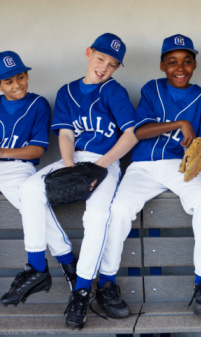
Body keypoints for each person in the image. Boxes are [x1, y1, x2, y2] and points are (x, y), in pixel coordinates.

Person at [3, 33, 138, 330]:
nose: (104, 67)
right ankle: (37, 267)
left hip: (105, 162)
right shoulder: (66, 91)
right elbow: (66, 133)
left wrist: (98, 167)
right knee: (29, 188)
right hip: (75, 158)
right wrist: (68, 168)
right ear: (88, 53)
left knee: (98, 215)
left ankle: (80, 291)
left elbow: (130, 135)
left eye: (112, 64)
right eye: (100, 58)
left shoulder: (114, 91)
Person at [103, 34, 201, 317]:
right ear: (162, 66)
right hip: (143, 165)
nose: (180, 68)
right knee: (118, 208)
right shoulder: (152, 88)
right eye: (172, 62)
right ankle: (105, 282)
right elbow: (139, 132)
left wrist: (200, 150)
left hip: (179, 167)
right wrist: (180, 123)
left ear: (194, 65)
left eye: (187, 62)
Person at [0, 50, 75, 302]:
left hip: (19, 168)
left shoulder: (38, 103)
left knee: (32, 204)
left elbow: (37, 149)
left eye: (20, 77)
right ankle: (69, 267)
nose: (16, 85)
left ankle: (44, 267)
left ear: (27, 75)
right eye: (8, 81)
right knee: (34, 208)